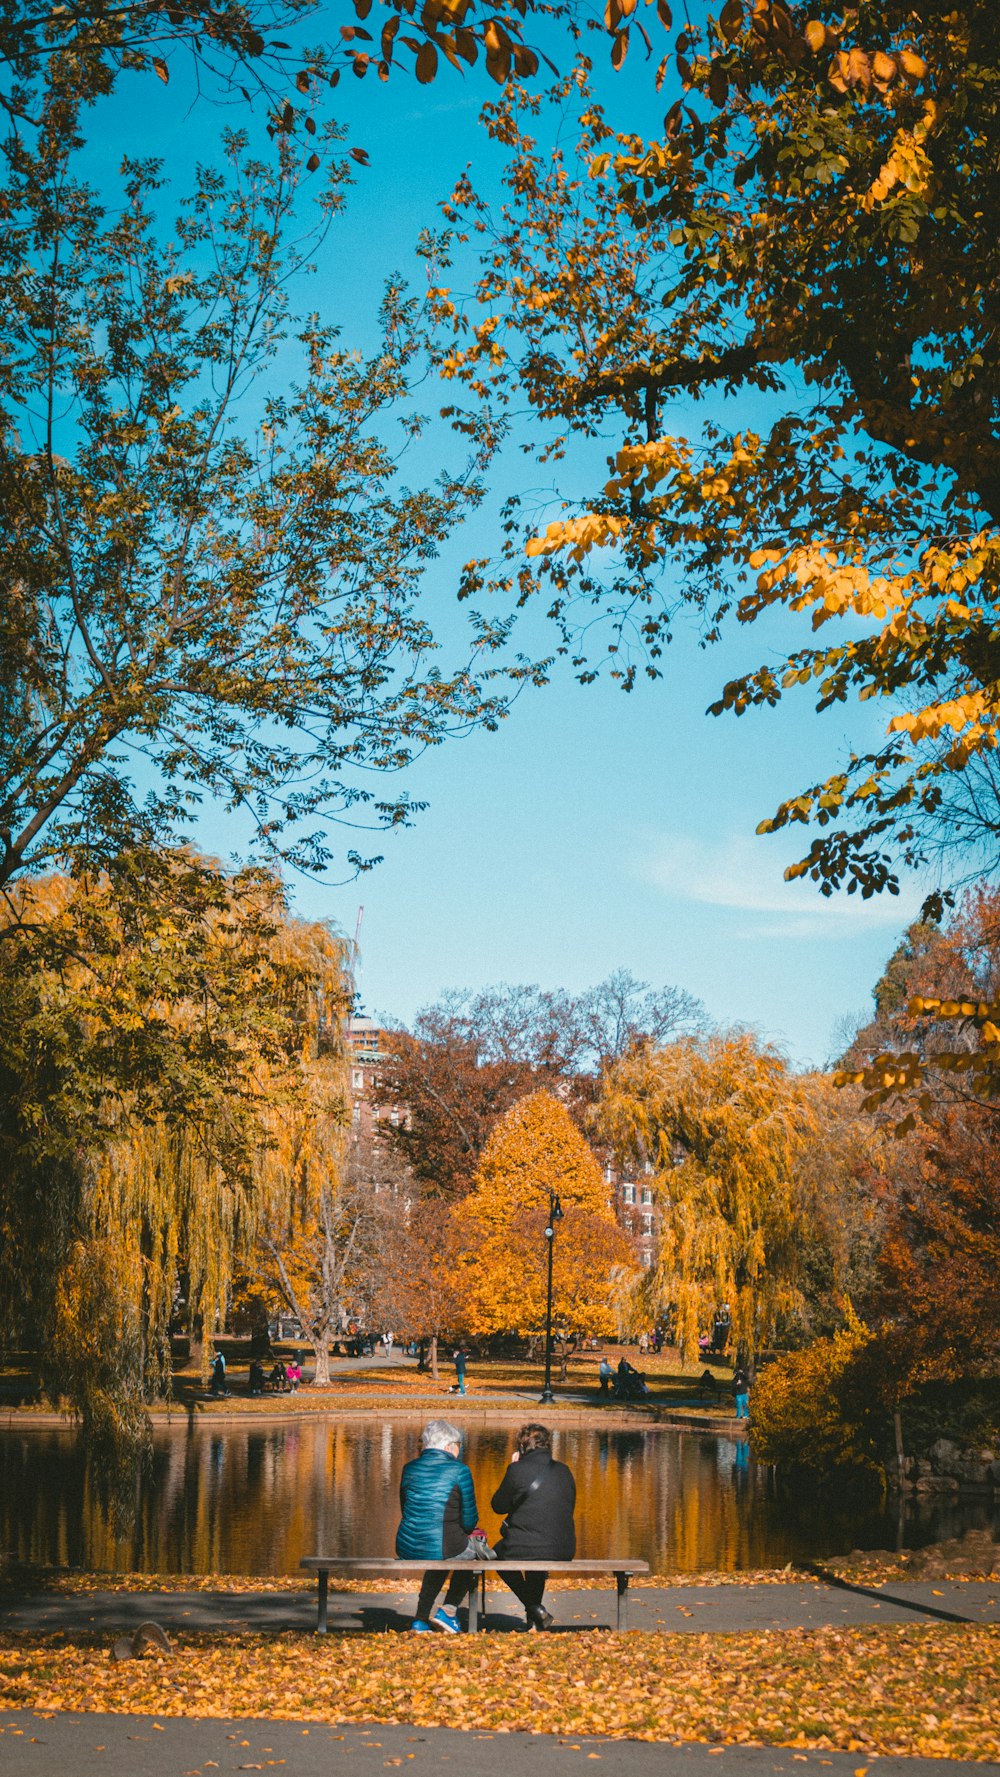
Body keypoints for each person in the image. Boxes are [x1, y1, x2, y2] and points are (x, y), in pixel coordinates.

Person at [397, 1420, 480, 1633]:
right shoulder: (460, 1471)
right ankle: (449, 1611)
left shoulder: (409, 1468)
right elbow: (470, 1521)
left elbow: (405, 1508)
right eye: (459, 1446)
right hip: (441, 1545)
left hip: (408, 1545)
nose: (459, 1451)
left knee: (441, 1551)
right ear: (448, 1446)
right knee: (473, 1553)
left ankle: (421, 1617)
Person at [491, 1423, 575, 1631]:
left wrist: (512, 1469)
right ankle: (534, 1623)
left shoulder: (518, 1470)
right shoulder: (564, 1471)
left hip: (526, 1544)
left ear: (521, 1448)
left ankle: (535, 1608)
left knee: (495, 1555)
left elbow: (498, 1506)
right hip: (562, 1546)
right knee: (534, 1556)